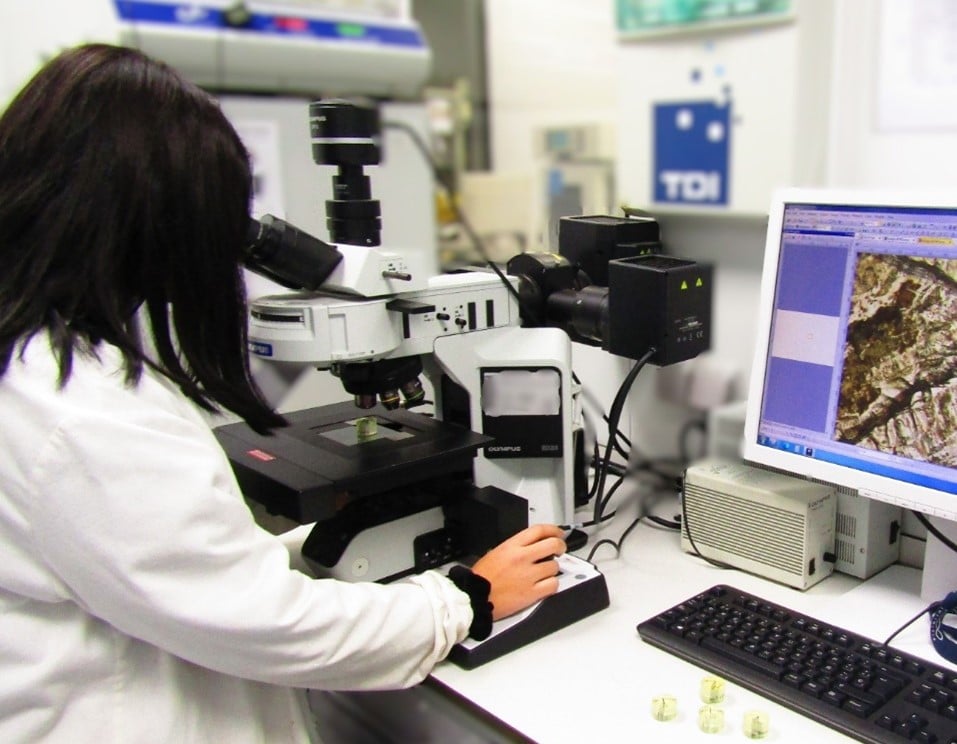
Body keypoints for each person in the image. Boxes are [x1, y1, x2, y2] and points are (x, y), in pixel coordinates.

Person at [0, 44, 566, 743]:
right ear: (155, 223)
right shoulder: (84, 416)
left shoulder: (36, 364)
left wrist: (314, 550)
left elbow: (174, 571)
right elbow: (260, 622)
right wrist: (465, 600)